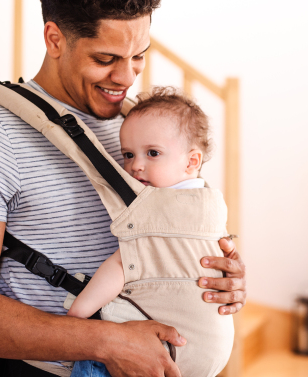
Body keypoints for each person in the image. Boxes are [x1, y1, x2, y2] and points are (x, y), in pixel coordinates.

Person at [0, 1, 246, 377]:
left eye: (138, 56)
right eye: (106, 58)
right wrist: (107, 342)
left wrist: (214, 279)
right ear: (55, 39)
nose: (126, 77)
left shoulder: (138, 125)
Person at [68, 87, 224, 377]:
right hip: (205, 349)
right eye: (128, 154)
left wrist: (79, 314)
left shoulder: (158, 206)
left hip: (164, 350)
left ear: (192, 161)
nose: (135, 166)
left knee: (90, 360)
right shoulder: (209, 202)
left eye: (153, 153)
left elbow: (122, 263)